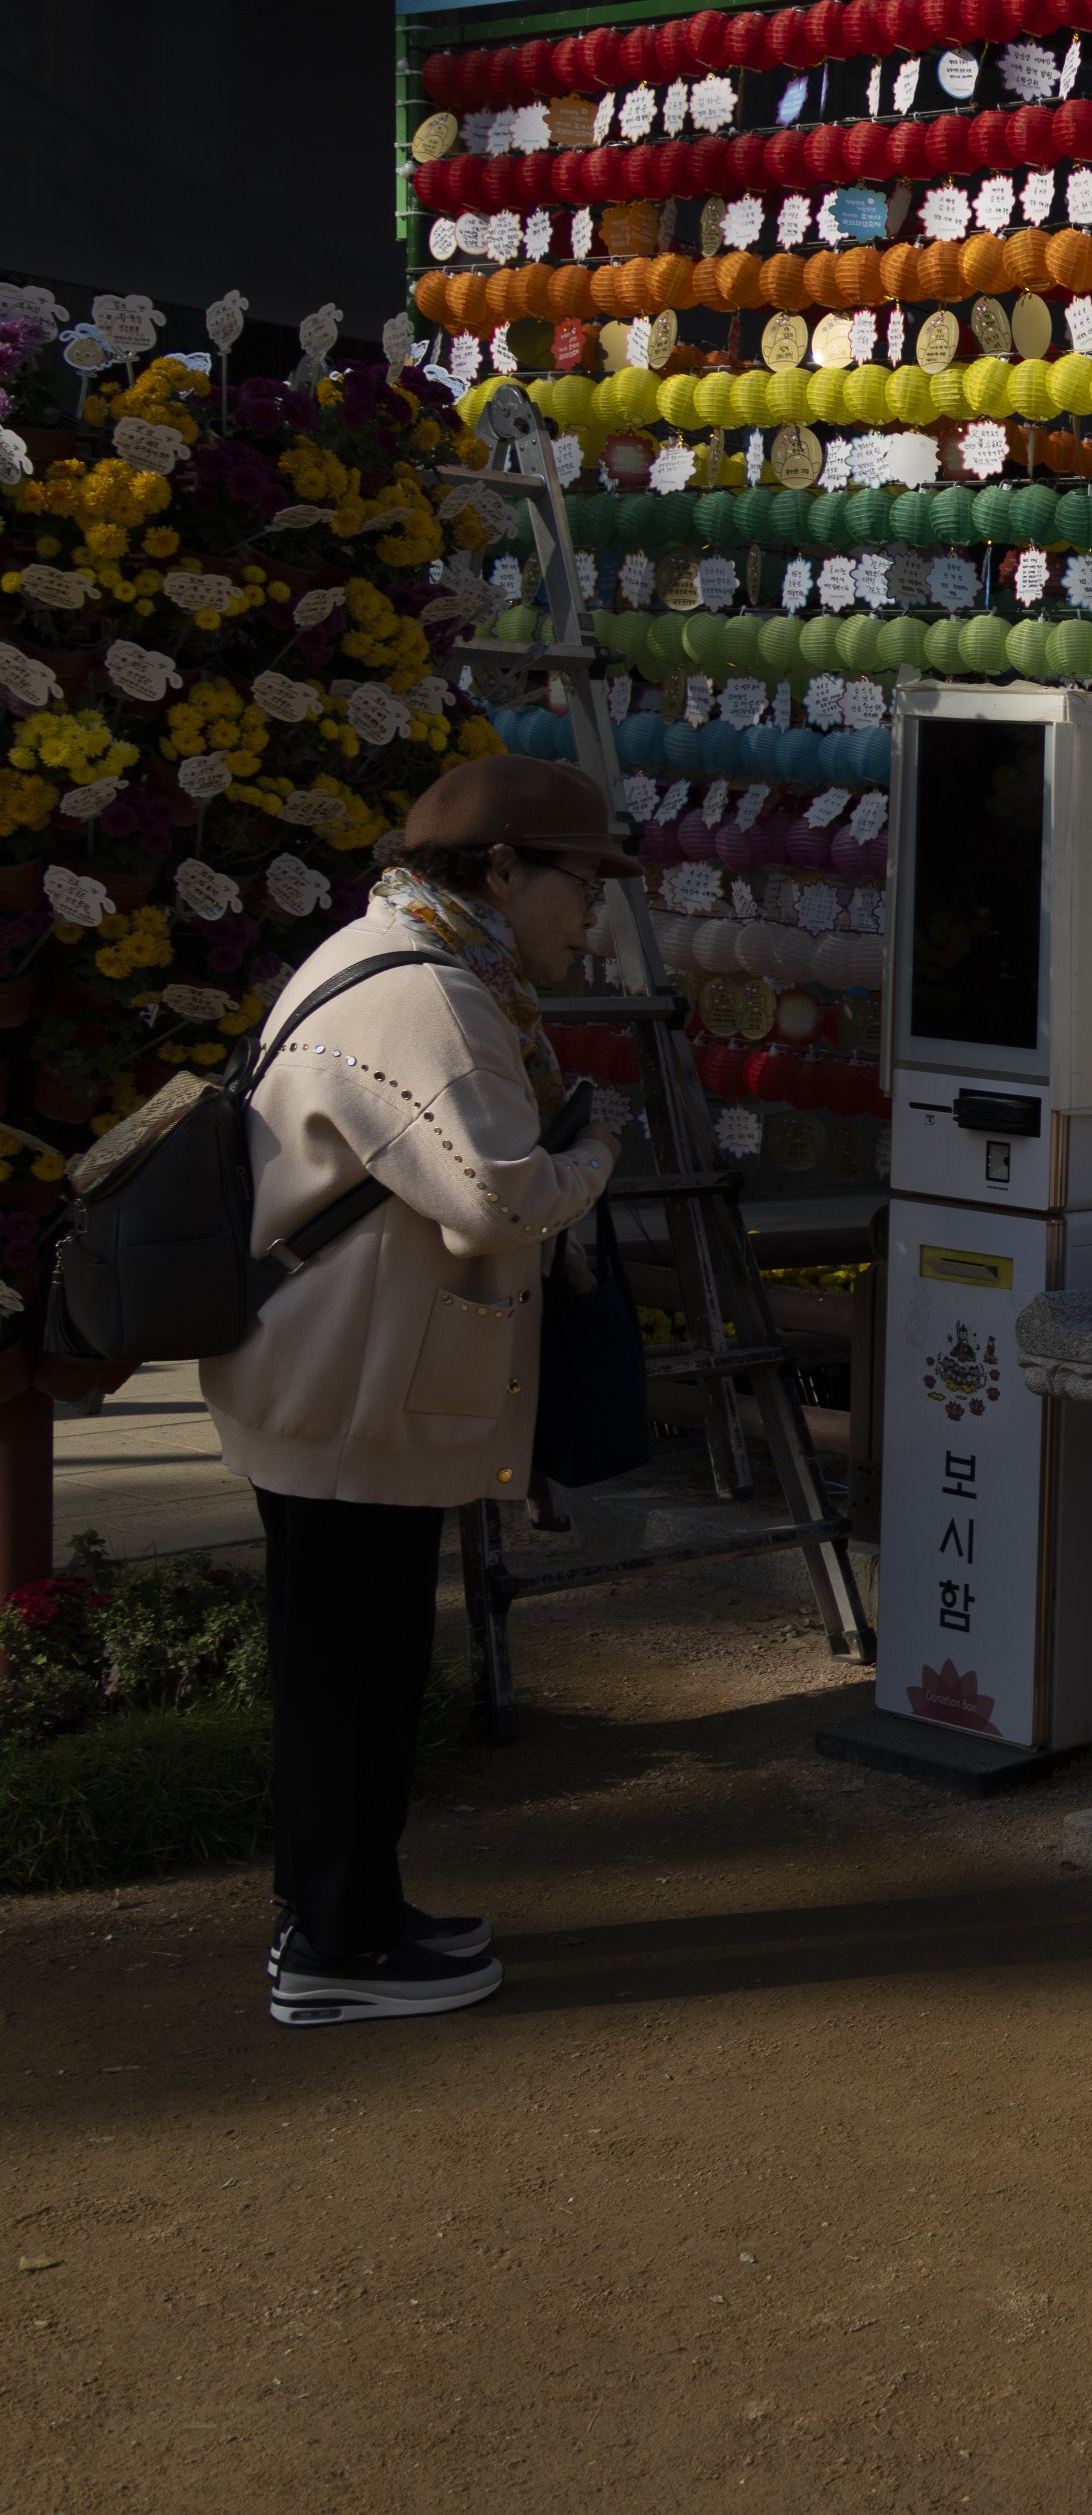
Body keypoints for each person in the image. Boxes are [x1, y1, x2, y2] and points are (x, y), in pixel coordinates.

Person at [205, 754, 634, 2026]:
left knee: (352, 1667)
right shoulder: (433, 998)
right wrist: (602, 1143)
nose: (590, 915)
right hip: (348, 1393)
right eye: (580, 882)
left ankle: (345, 1912)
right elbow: (496, 1192)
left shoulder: (380, 953)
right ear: (500, 869)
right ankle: (338, 1947)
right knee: (351, 1674)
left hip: (332, 1378)